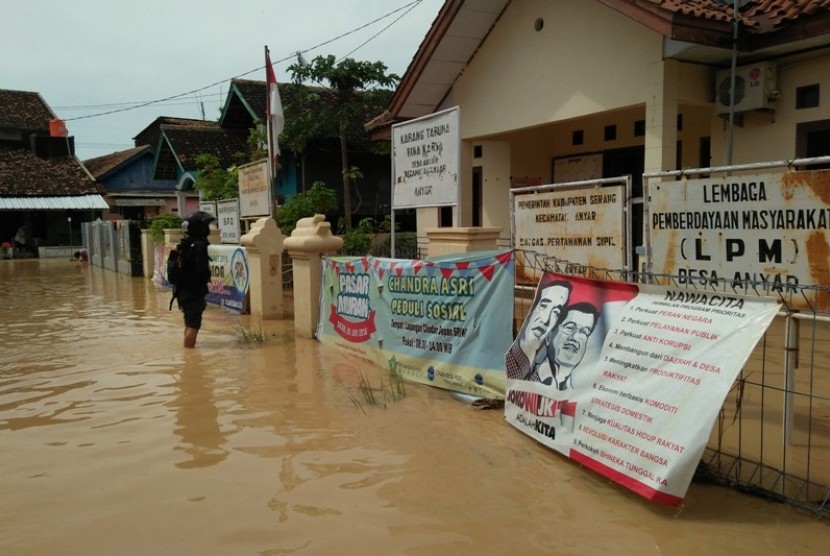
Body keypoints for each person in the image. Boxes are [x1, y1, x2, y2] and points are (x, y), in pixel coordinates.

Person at [505, 279, 571, 381]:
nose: (546, 320)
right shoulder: (506, 365)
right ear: (532, 308)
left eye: (556, 312)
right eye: (543, 306)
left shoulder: (540, 373)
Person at [536, 302, 600, 390]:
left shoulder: (577, 396)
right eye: (569, 328)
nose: (574, 337)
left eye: (584, 332)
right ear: (548, 337)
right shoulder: (528, 377)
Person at [175, 211, 215, 348]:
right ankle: (189, 358)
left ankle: (188, 354)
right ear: (200, 227)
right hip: (193, 292)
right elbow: (201, 269)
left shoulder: (185, 244)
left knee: (189, 324)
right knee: (193, 326)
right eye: (206, 225)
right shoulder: (199, 245)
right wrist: (207, 278)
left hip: (182, 291)